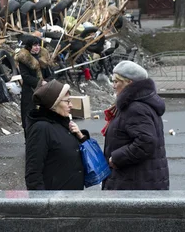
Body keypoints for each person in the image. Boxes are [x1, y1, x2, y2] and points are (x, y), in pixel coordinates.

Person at [102, 60, 169, 190]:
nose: (113, 86)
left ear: (129, 83)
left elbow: (146, 142)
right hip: (140, 179)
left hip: (134, 182)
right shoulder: (139, 104)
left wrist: (116, 158)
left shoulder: (135, 108)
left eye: (116, 82)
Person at [25, 80, 89, 190]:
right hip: (55, 200)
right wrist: (42, 203)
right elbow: (33, 173)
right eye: (67, 101)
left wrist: (80, 135)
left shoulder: (63, 124)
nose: (71, 105)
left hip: (72, 197)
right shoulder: (41, 128)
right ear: (54, 104)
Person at [15, 35, 53, 138]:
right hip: (30, 92)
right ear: (29, 47)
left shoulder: (43, 58)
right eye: (34, 45)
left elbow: (50, 74)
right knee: (29, 116)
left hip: (44, 92)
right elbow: (26, 77)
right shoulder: (24, 59)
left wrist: (47, 81)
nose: (37, 47)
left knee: (44, 116)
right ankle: (30, 140)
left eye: (38, 45)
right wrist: (40, 82)